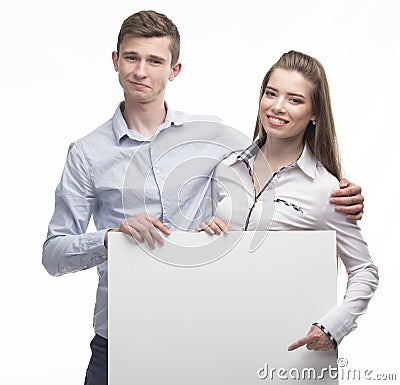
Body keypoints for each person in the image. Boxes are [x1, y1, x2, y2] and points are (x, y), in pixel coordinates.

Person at [42, 11, 366, 384]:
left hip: (202, 336)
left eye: (155, 61)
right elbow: (53, 254)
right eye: (131, 57)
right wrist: (109, 239)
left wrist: (341, 192)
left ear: (174, 69)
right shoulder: (86, 153)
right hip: (119, 337)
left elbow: (278, 169)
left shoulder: (212, 136)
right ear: (116, 61)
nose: (140, 71)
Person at [197, 50, 378, 352]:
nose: (277, 107)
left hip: (283, 345)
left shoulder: (326, 190)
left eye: (295, 99)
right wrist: (202, 235)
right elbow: (204, 259)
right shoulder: (225, 170)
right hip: (218, 336)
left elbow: (364, 270)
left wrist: (333, 327)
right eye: (271, 94)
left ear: (315, 113)